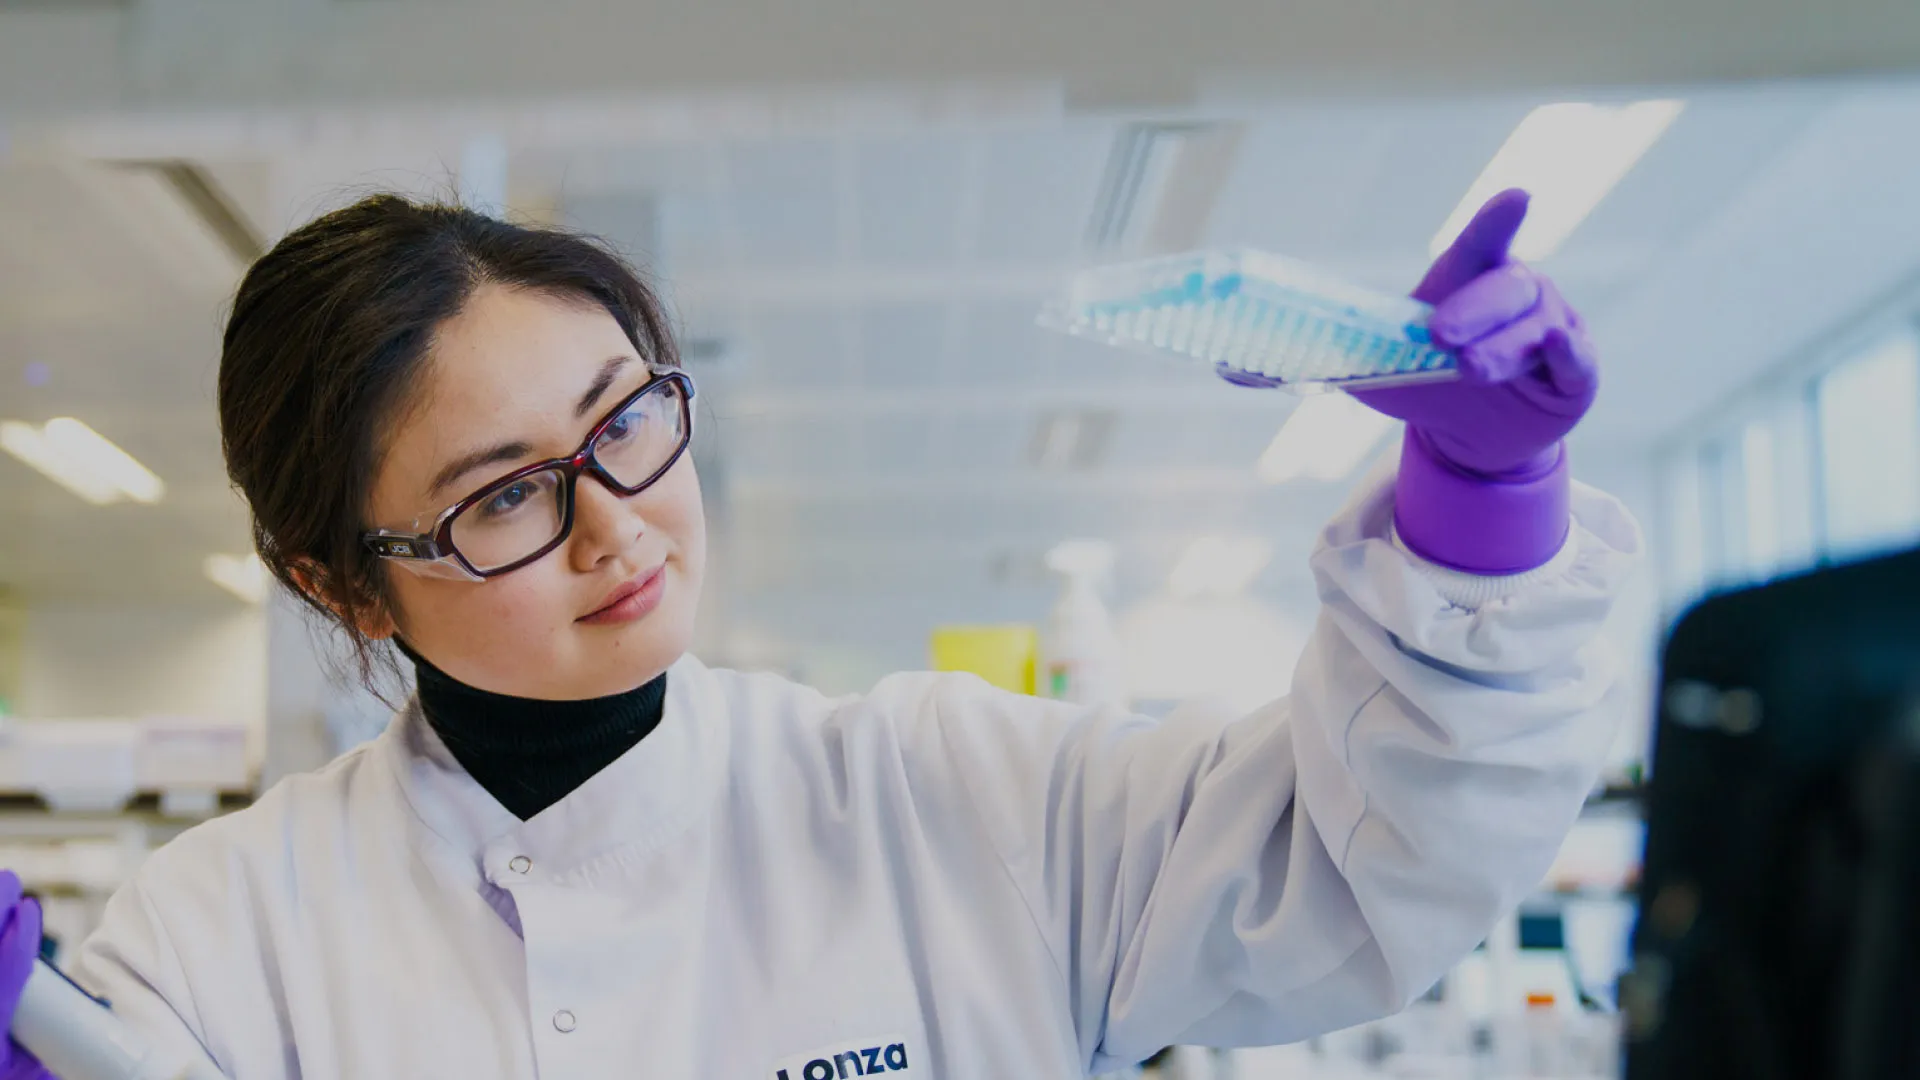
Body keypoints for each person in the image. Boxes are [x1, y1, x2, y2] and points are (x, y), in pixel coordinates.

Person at [0, 187, 1638, 1079]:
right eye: (505, 498)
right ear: (339, 585)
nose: (619, 522)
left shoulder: (956, 798)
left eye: (625, 418)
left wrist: (1486, 508)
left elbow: (1369, 868)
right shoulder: (226, 939)